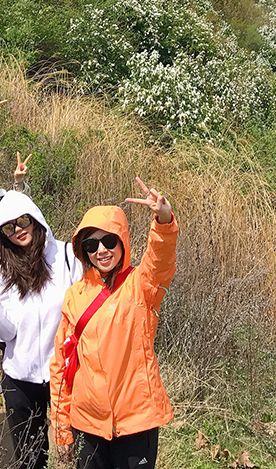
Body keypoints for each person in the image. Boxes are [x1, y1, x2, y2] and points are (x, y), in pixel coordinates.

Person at [50, 177, 178, 469]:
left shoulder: (141, 285)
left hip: (136, 422)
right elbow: (61, 366)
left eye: (109, 241)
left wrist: (163, 219)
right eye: (92, 244)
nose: (101, 251)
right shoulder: (75, 296)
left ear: (122, 242)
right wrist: (61, 430)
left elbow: (160, 259)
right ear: (83, 250)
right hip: (88, 424)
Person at [0, 190, 83, 469]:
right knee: (30, 459)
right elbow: (7, 333)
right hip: (21, 379)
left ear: (36, 219)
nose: (18, 230)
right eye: (8, 227)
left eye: (23, 221)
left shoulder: (67, 257)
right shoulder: (4, 274)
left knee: (80, 454)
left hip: (66, 376)